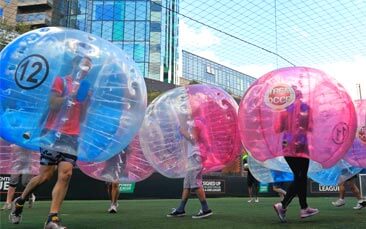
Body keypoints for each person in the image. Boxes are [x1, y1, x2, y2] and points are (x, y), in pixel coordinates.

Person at [9, 55, 93, 229]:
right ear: (74, 65)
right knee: (45, 176)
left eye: (88, 69)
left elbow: (82, 117)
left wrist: (86, 101)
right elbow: (53, 104)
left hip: (72, 135)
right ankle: (20, 201)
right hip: (52, 132)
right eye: (84, 66)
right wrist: (72, 95)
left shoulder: (86, 88)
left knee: (66, 173)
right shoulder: (60, 81)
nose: (86, 71)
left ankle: (52, 218)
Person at [273, 86, 319, 223]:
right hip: (301, 147)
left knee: (300, 177)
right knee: (301, 177)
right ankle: (284, 205)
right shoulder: (306, 107)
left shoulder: (284, 110)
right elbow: (311, 127)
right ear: (300, 95)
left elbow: (277, 129)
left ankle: (304, 207)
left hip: (287, 147)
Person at [167, 117, 213, 219]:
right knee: (187, 185)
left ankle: (206, 209)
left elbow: (193, 139)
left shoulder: (195, 122)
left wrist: (182, 131)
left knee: (195, 184)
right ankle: (180, 209)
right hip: (192, 157)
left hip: (195, 156)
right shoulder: (192, 123)